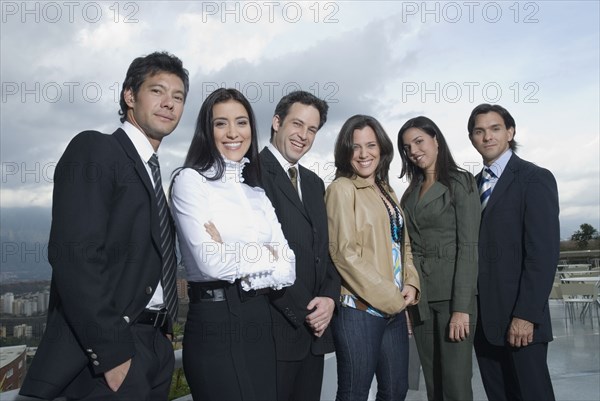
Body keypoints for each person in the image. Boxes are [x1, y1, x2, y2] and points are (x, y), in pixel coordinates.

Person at [19, 52, 189, 400]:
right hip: (109, 355)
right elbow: (74, 256)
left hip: (155, 347)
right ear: (130, 96)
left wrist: (164, 332)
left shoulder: (155, 174)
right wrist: (113, 356)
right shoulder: (96, 149)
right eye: (157, 91)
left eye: (178, 97)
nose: (169, 104)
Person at [170, 88, 295, 401]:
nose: (233, 133)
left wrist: (231, 251)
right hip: (215, 323)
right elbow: (211, 263)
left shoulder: (258, 194)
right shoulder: (190, 181)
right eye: (221, 123)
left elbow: (289, 267)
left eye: (241, 122)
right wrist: (268, 255)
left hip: (259, 320)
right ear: (206, 131)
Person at [325, 114, 420, 401]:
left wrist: (412, 283)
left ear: (382, 149)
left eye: (371, 145)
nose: (364, 154)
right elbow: (343, 253)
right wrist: (391, 299)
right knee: (354, 393)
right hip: (359, 311)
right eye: (356, 147)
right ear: (345, 151)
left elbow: (402, 244)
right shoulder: (341, 189)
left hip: (393, 309)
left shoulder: (387, 190)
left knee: (395, 391)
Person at [468, 104, 559, 401]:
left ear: (510, 132)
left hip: (520, 318)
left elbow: (542, 255)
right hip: (483, 320)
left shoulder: (535, 179)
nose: (487, 137)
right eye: (479, 131)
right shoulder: (471, 186)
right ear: (472, 138)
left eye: (495, 129)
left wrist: (526, 314)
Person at [259, 90, 340, 401]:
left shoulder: (314, 182)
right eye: (297, 124)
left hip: (314, 333)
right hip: (275, 332)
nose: (304, 136)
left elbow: (325, 251)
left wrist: (330, 299)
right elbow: (259, 255)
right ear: (277, 122)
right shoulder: (252, 173)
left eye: (312, 129)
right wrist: (305, 311)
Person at [398, 116, 480, 400]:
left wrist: (462, 309)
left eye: (419, 141)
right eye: (407, 147)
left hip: (451, 300)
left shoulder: (460, 182)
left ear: (436, 140)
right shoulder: (409, 193)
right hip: (421, 300)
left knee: (456, 385)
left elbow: (469, 248)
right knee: (434, 386)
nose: (414, 151)